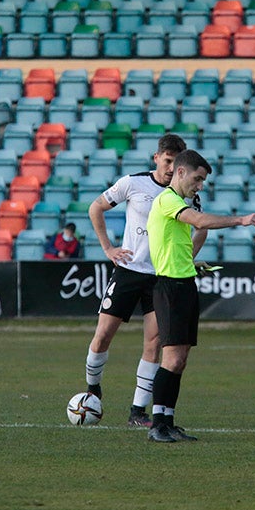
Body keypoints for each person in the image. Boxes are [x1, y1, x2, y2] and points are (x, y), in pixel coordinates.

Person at [145, 149, 255, 443]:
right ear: (180, 172)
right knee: (171, 358)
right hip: (170, 287)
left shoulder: (178, 204)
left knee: (181, 358)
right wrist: (241, 220)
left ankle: (167, 420)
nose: (199, 186)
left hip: (184, 282)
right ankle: (156, 425)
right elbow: (199, 222)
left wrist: (192, 264)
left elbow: (181, 244)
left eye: (202, 181)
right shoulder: (167, 200)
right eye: (197, 179)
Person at [83, 133, 191, 428]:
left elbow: (200, 227)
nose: (171, 169)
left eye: (176, 163)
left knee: (153, 343)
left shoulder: (185, 194)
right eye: (167, 161)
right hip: (129, 270)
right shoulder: (133, 182)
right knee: (104, 334)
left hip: (160, 276)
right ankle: (93, 389)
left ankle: (137, 411)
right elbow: (96, 207)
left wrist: (187, 257)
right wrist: (108, 248)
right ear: (156, 158)